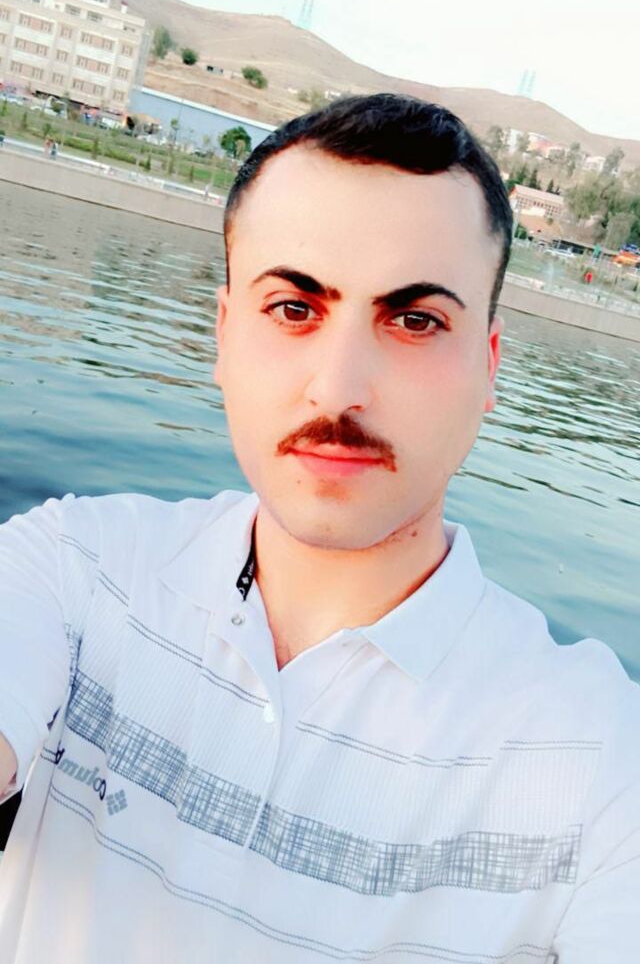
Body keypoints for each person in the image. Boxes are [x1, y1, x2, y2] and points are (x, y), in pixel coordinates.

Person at [0, 95, 638, 963]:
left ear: (488, 369)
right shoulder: (73, 571)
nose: (337, 390)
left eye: (415, 320)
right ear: (224, 334)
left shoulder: (598, 759)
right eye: (294, 308)